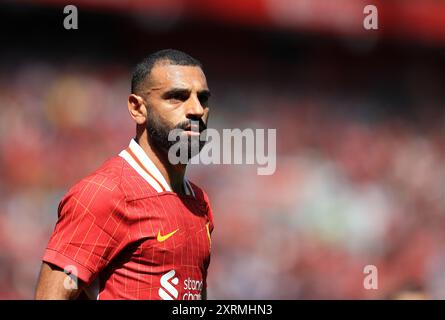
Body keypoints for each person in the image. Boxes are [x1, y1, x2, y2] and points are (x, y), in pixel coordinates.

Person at [35, 49, 214, 300]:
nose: (196, 109)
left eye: (203, 99)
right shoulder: (104, 194)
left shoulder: (199, 202)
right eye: (177, 97)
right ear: (137, 108)